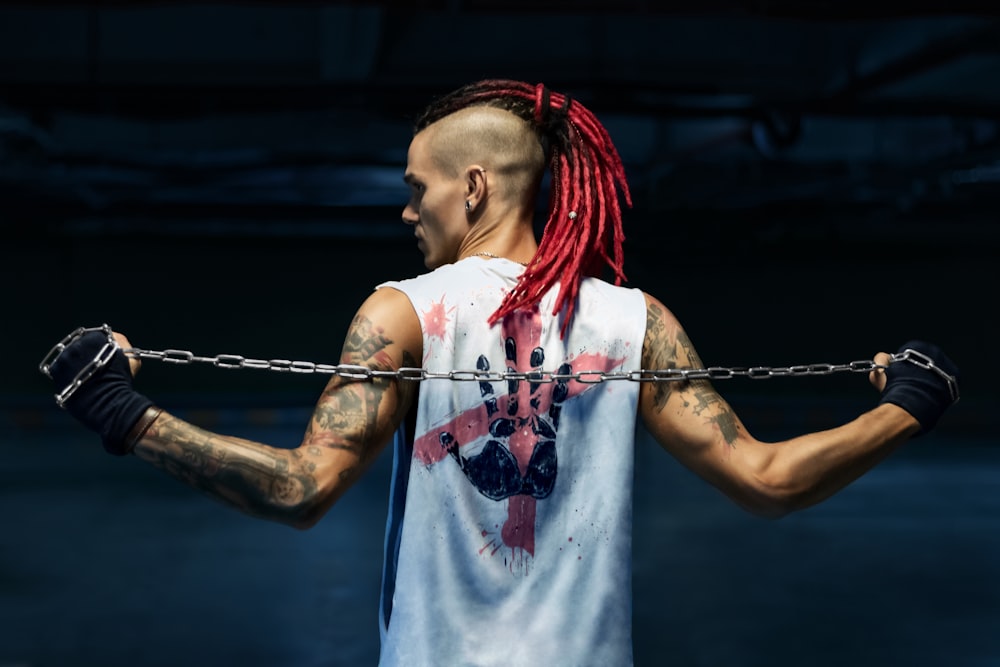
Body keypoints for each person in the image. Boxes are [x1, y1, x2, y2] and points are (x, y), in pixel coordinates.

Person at [44, 79, 959, 666]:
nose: (407, 210)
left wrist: (125, 413)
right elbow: (768, 481)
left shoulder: (403, 309)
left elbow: (300, 488)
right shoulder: (635, 320)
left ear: (473, 186)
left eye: (418, 187)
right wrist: (911, 403)